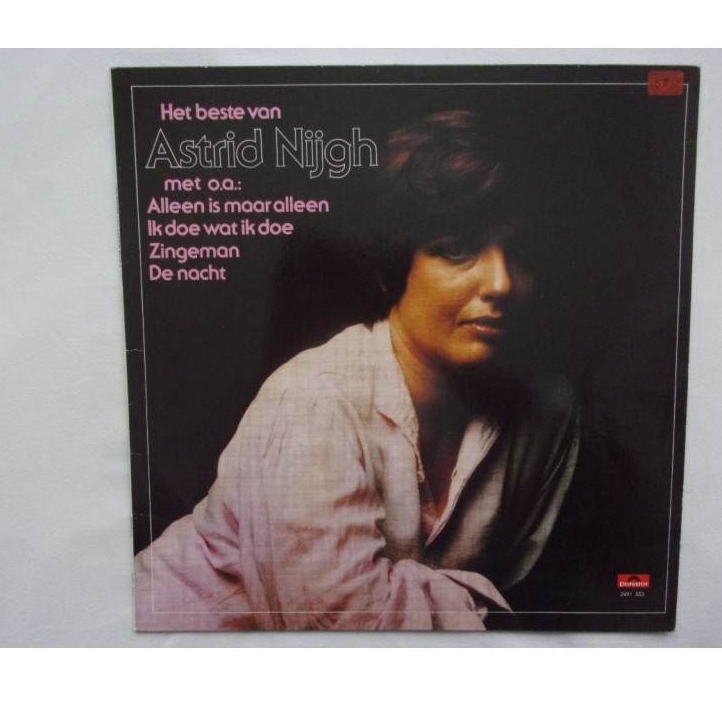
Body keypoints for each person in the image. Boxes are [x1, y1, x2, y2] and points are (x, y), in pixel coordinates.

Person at [134, 111, 579, 631]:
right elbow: (338, 625)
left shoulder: (547, 412)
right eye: (458, 250)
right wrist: (474, 611)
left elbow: (505, 585)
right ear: (395, 263)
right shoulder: (315, 398)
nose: (500, 282)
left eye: (521, 252)